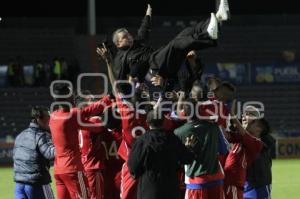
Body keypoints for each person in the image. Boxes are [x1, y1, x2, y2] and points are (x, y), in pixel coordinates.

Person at [100, 1, 229, 86]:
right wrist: (109, 62)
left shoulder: (136, 43)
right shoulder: (119, 59)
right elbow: (118, 82)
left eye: (128, 34)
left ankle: (217, 19)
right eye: (124, 37)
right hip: (154, 67)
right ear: (118, 44)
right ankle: (209, 35)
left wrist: (148, 14)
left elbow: (143, 31)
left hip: (159, 60)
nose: (129, 37)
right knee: (175, 44)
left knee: (186, 32)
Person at [49, 83, 112, 199]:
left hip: (58, 170)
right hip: (72, 169)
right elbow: (89, 111)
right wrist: (108, 98)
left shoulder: (53, 116)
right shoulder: (72, 114)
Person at [128, 109, 197, 199]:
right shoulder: (172, 138)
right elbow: (186, 158)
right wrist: (188, 148)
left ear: (147, 122)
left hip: (149, 188)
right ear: (164, 121)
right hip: (170, 188)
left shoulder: (142, 141)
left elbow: (133, 167)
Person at [174, 99, 225, 199]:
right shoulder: (214, 127)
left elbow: (177, 159)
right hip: (216, 180)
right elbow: (223, 150)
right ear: (199, 111)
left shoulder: (178, 133)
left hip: (196, 182)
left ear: (183, 113)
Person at [224, 103, 265, 199]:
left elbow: (243, 133)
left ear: (257, 123)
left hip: (234, 184)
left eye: (249, 114)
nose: (243, 116)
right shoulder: (239, 138)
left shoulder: (257, 143)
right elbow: (225, 135)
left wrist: (233, 116)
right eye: (243, 114)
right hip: (226, 182)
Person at [13, 106, 55, 199]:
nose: (50, 120)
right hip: (36, 184)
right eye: (47, 117)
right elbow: (50, 154)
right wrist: (62, 144)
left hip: (19, 185)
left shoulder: (20, 135)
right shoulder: (41, 135)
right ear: (38, 119)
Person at [244, 119, 275, 199]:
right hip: (245, 184)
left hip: (260, 184)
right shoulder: (240, 137)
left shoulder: (265, 140)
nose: (245, 117)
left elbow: (270, 141)